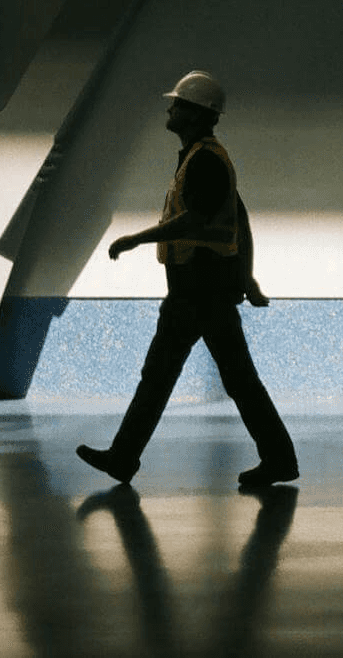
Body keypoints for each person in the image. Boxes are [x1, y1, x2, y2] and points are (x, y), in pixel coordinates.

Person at [77, 71, 299, 489]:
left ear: (196, 114)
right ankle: (125, 457)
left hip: (201, 290)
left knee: (196, 378)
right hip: (196, 289)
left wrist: (135, 238)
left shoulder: (206, 161)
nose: (170, 109)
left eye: (177, 104)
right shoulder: (198, 157)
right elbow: (240, 217)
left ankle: (277, 459)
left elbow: (194, 220)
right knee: (190, 377)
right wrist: (248, 277)